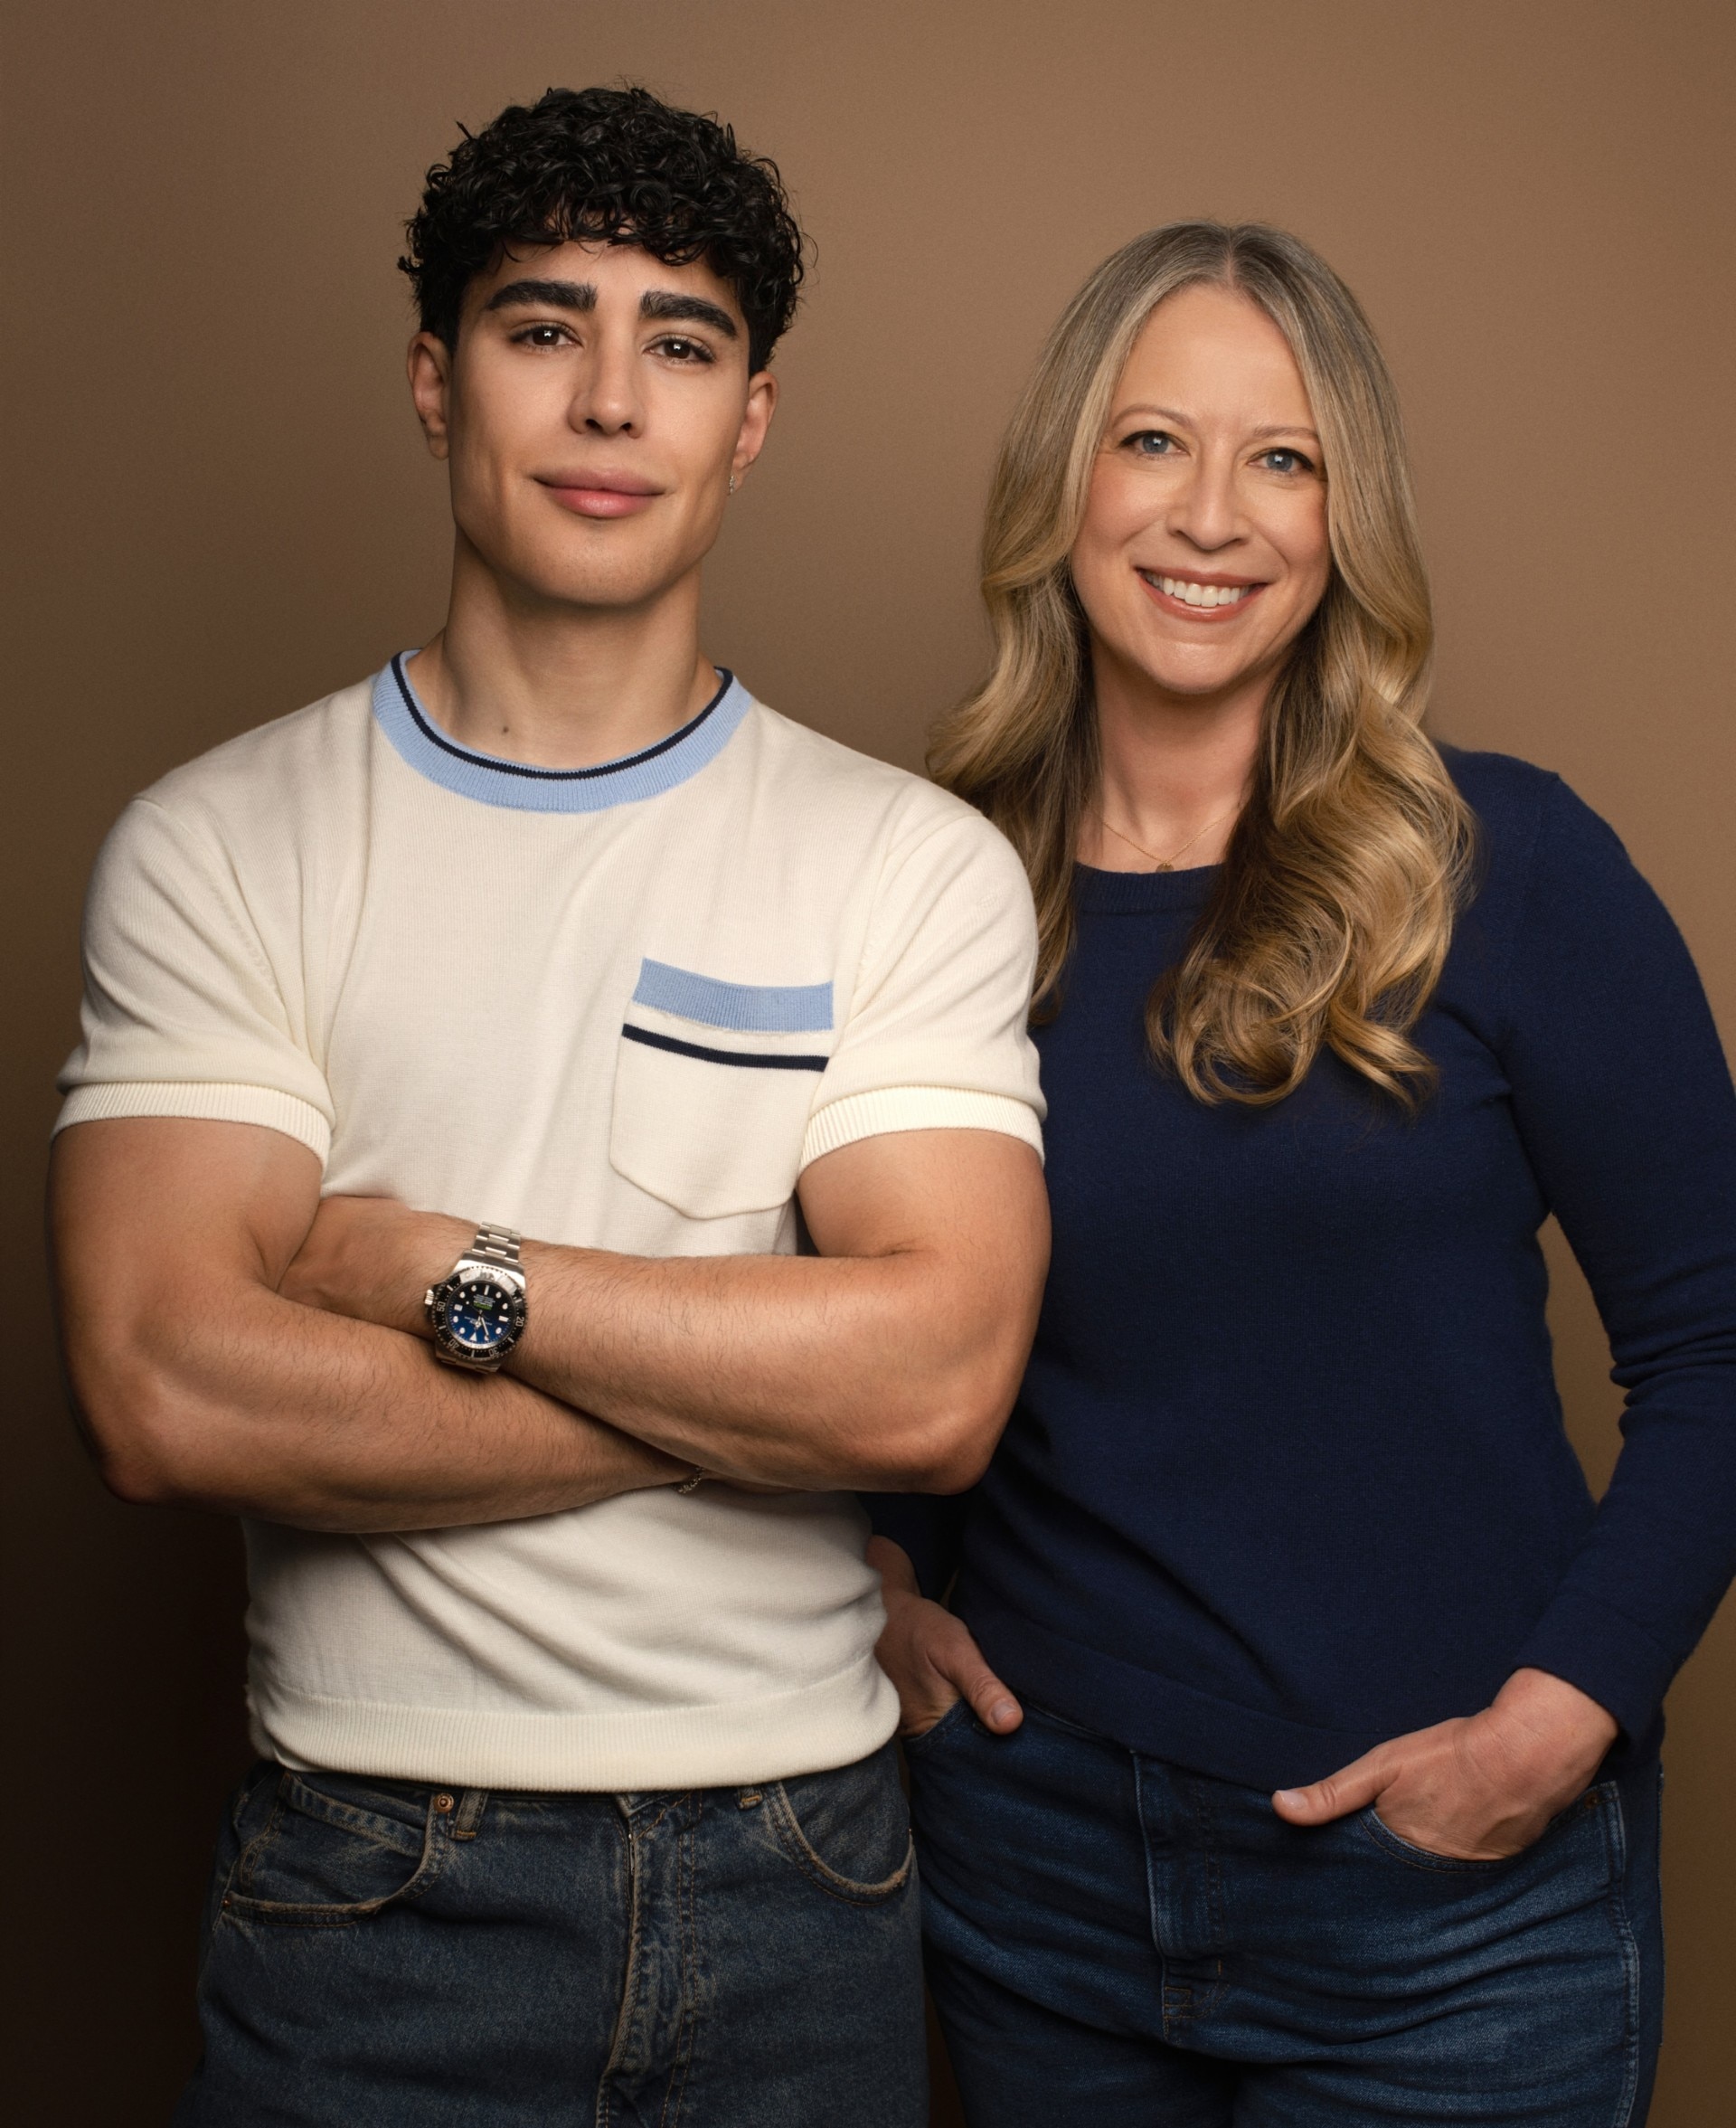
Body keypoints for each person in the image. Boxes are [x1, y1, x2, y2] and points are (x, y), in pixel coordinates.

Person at [50, 85, 1048, 2126]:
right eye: (542, 327)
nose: (612, 398)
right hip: (371, 1886)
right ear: (436, 380)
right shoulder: (222, 842)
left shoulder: (904, 861)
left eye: (678, 342)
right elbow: (165, 1389)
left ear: (748, 416)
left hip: (805, 1884)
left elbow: (934, 1384)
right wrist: (743, 1392)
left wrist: (442, 1269)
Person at [868, 221, 1736, 2125]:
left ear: (1348, 522)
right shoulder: (918, 887)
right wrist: (871, 1580)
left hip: (1451, 1915)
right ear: (1064, 483)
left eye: (1286, 459)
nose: (1215, 515)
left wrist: (1555, 1724)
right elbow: (856, 1317)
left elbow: (1719, 1344)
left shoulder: (1504, 865)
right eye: (1154, 441)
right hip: (1036, 1876)